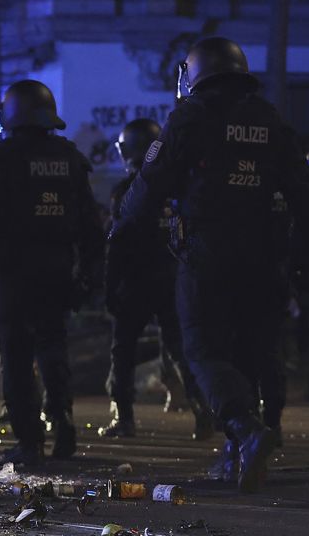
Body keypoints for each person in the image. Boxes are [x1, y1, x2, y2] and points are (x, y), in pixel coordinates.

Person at [116, 36, 309, 493]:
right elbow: (305, 194)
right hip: (264, 254)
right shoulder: (268, 119)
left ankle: (245, 431)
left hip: (208, 252)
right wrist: (308, 254)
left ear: (195, 75)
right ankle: (237, 453)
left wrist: (122, 226)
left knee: (203, 350)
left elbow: (151, 182)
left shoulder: (191, 116)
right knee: (247, 351)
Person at [0, 80, 104, 467]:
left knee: (17, 358)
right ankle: (63, 420)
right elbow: (91, 223)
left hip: (14, 273)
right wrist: (90, 271)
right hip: (58, 269)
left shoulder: (5, 158)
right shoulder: (70, 157)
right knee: (53, 347)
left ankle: (29, 440)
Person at [100, 118, 206, 440]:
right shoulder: (177, 193)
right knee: (180, 349)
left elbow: (117, 244)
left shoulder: (128, 192)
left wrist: (109, 285)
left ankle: (124, 418)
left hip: (135, 282)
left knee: (123, 352)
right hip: (172, 280)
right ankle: (203, 412)